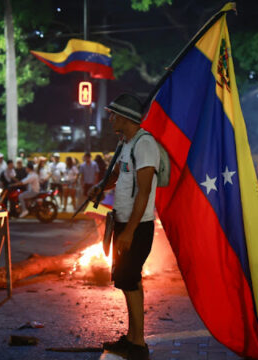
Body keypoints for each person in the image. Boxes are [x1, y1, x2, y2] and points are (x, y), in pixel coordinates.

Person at [92, 94, 159, 360]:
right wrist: (100, 187)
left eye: (113, 114)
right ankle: (132, 339)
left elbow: (143, 192)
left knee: (130, 281)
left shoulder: (145, 144)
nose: (110, 118)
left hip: (137, 227)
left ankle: (138, 344)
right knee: (126, 281)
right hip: (122, 223)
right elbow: (119, 175)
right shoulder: (126, 143)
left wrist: (130, 232)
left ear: (125, 118)